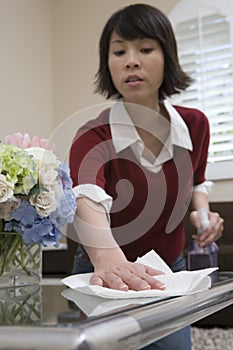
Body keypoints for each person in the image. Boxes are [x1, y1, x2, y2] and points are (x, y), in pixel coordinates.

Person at [69, 4, 224, 349]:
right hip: (102, 271)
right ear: (107, 65)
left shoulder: (195, 125)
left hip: (169, 269)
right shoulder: (92, 135)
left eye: (145, 48)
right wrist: (106, 257)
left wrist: (203, 215)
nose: (131, 61)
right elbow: (86, 197)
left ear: (167, 56)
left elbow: (197, 181)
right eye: (119, 51)